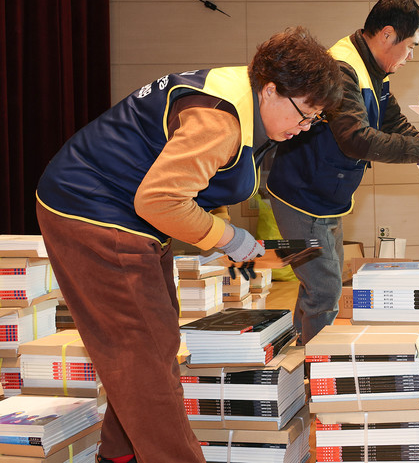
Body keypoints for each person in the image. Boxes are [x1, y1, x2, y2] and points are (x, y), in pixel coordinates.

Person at [35, 27, 343, 463]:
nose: (305, 127)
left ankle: (119, 454)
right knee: (143, 351)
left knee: (154, 340)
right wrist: (228, 237)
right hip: (93, 211)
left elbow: (201, 182)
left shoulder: (241, 95)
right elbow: (159, 200)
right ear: (271, 90)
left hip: (127, 215)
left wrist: (226, 235)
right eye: (304, 114)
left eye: (315, 119)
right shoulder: (219, 121)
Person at [266, 0, 419, 344]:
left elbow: (392, 120)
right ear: (387, 35)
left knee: (319, 285)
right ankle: (318, 370)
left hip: (325, 196)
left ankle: (302, 357)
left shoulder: (372, 70)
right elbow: (356, 139)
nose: (411, 56)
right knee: (324, 290)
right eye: (410, 46)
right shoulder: (344, 68)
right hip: (302, 194)